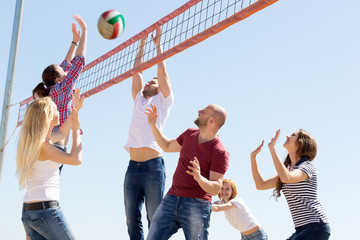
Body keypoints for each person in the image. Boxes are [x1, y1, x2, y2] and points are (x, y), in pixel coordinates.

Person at [145, 103, 230, 240]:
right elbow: (167, 146)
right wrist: (153, 125)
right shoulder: (189, 133)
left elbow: (215, 188)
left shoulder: (219, 151)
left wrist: (199, 178)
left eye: (204, 111)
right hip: (171, 198)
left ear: (211, 121)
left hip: (197, 204)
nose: (199, 110)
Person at [123, 27, 174, 240]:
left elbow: (162, 72)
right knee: (131, 219)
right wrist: (141, 46)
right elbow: (137, 72)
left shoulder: (163, 101)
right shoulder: (139, 99)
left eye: (152, 82)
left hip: (153, 167)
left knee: (155, 219)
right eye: (148, 81)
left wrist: (158, 45)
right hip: (132, 168)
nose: (148, 83)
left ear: (159, 88)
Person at [16, 89, 84, 240]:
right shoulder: (45, 147)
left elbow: (60, 134)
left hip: (28, 211)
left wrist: (75, 112)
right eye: (55, 108)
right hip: (45, 210)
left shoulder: (37, 142)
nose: (59, 110)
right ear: (47, 115)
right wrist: (76, 130)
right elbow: (76, 159)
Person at [250, 129, 330, 240]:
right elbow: (261, 185)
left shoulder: (307, 166)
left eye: (293, 135)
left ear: (302, 142)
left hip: (316, 225)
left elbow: (286, 178)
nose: (288, 136)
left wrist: (272, 149)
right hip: (301, 229)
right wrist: (253, 158)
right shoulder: (288, 169)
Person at [32, 15, 87, 156]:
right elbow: (79, 60)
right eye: (63, 71)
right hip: (57, 145)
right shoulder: (64, 87)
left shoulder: (51, 89)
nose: (65, 68)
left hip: (48, 141)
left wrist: (74, 42)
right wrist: (85, 31)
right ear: (58, 79)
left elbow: (66, 63)